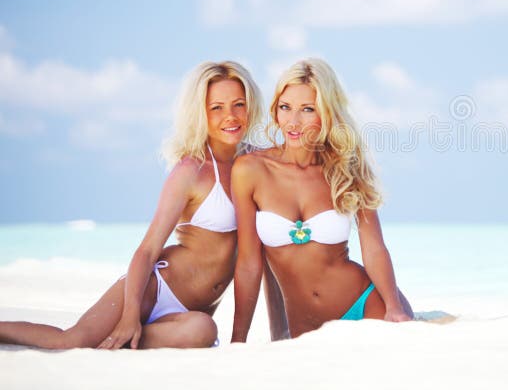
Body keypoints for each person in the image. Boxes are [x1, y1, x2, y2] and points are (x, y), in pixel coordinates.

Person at [0, 61, 263, 349]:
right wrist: (129, 316)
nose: (231, 116)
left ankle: (122, 341)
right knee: (70, 340)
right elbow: (148, 249)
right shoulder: (191, 170)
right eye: (217, 108)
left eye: (239, 104)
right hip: (154, 288)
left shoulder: (258, 164)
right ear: (200, 113)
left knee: (201, 331)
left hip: (191, 313)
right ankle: (121, 333)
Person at [231, 58, 413, 342]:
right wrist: (237, 340)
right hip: (306, 330)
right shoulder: (250, 170)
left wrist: (393, 307)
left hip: (366, 305)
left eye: (307, 110)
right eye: (285, 107)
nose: (293, 122)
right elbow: (249, 263)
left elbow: (374, 248)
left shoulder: (346, 166)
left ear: (326, 113)